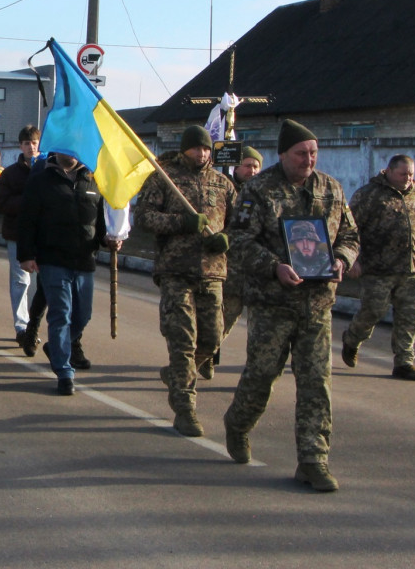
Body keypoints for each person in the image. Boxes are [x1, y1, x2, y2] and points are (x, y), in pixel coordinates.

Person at [223, 119, 359, 493]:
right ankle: (238, 423)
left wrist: (342, 259)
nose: (308, 160)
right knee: (262, 375)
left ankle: (313, 460)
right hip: (273, 304)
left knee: (317, 384)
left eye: (313, 153)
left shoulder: (331, 189)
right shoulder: (258, 190)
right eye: (301, 153)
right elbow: (238, 239)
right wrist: (274, 267)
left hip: (316, 304)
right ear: (283, 154)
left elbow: (349, 234)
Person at [134, 125, 237, 437]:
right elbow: (144, 217)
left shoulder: (223, 183)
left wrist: (227, 239)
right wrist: (182, 222)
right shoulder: (165, 178)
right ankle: (185, 407)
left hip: (213, 271)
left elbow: (242, 223)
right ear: (184, 149)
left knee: (212, 338)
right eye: (196, 148)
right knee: (182, 340)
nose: (202, 154)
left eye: (206, 149)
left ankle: (178, 375)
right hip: (176, 271)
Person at [17, 152, 119, 395]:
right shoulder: (41, 180)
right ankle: (64, 372)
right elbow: (27, 219)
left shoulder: (93, 180)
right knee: (60, 314)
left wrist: (108, 238)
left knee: (83, 315)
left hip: (84, 260)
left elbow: (100, 219)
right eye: (65, 146)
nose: (69, 152)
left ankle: (57, 346)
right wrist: (26, 254)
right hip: (52, 259)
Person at [342, 154, 415, 381]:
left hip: (410, 270)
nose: (408, 178)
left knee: (409, 317)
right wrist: (352, 259)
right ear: (388, 171)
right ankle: (352, 338)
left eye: (411, 174)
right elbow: (348, 228)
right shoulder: (369, 195)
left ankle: (404, 362)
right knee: (372, 312)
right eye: (403, 174)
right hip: (378, 269)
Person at [209, 145, 263, 374]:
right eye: (247, 165)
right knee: (225, 318)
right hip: (233, 267)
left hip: (260, 269)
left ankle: (258, 368)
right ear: (237, 167)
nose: (252, 170)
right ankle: (205, 356)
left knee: (261, 326)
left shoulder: (265, 191)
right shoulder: (227, 188)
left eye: (256, 166)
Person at [0, 125, 41, 346]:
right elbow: (1, 202)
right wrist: (27, 203)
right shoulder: (10, 173)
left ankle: (33, 324)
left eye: (34, 143)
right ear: (20, 146)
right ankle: (21, 326)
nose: (30, 147)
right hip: (17, 234)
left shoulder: (47, 169)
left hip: (44, 235)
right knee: (21, 279)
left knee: (38, 283)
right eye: (26, 143)